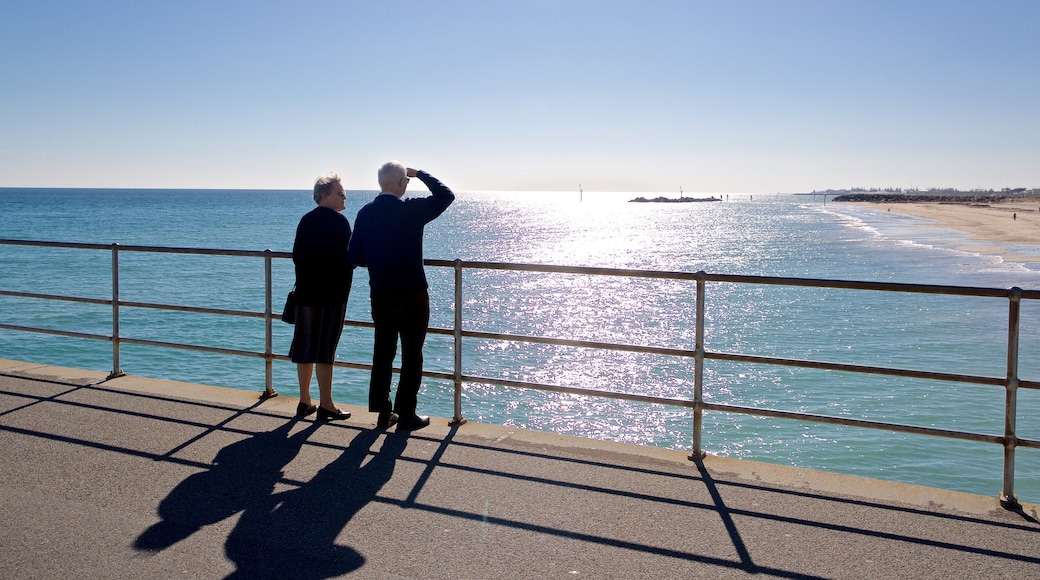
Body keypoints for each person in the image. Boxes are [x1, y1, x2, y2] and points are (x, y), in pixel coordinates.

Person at [348, 161, 455, 430]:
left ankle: (383, 412)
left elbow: (355, 256)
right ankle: (406, 413)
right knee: (412, 354)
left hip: (381, 293)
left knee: (383, 353)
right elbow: (446, 195)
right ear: (399, 183)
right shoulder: (411, 210)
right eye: (405, 181)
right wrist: (419, 174)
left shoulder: (365, 213)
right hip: (412, 294)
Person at [287, 172, 354, 421]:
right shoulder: (340, 223)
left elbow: (297, 255)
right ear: (324, 196)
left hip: (306, 292)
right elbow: (349, 258)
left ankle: (305, 401)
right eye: (340, 193)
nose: (344, 196)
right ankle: (326, 404)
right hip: (331, 295)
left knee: (305, 346)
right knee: (325, 350)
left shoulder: (306, 220)